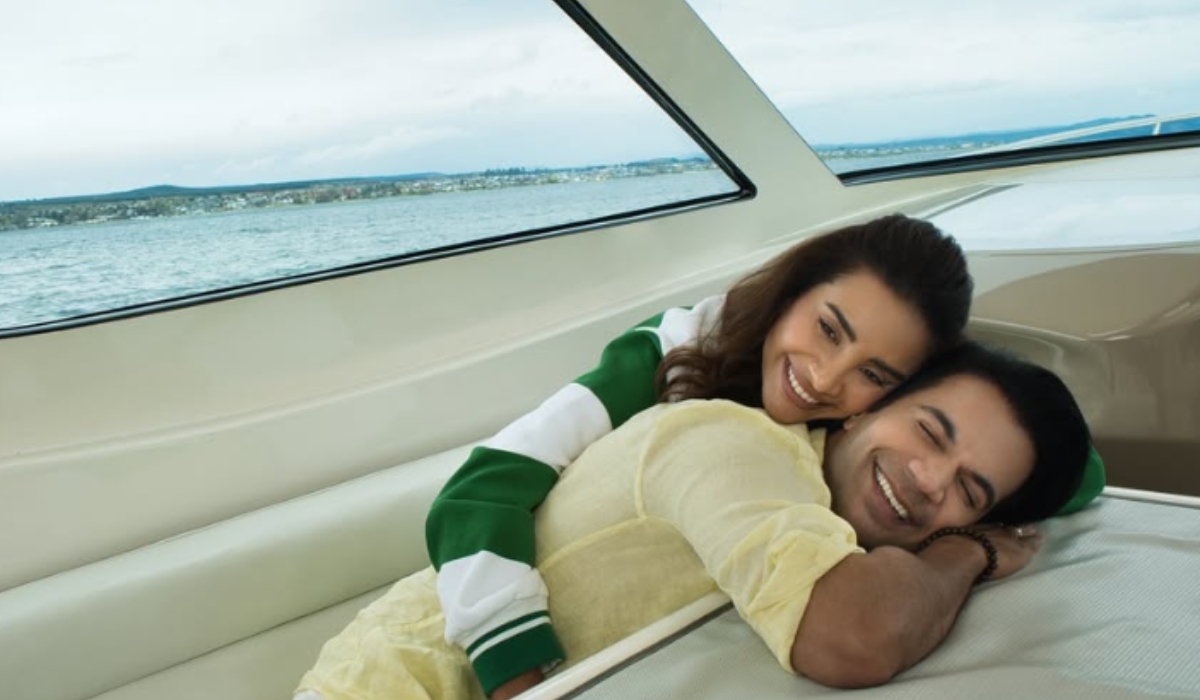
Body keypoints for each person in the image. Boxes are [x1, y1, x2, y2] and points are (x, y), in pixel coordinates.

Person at [294, 342, 1094, 700]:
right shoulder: (739, 446)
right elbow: (855, 638)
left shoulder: (829, 519)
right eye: (929, 432)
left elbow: (1083, 479)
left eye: (970, 491)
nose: (927, 481)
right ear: (860, 409)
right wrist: (968, 551)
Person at [424, 213, 978, 696]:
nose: (825, 378)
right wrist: (520, 681)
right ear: (792, 292)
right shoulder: (668, 352)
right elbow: (477, 493)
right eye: (828, 330)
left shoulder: (852, 441)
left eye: (873, 374)